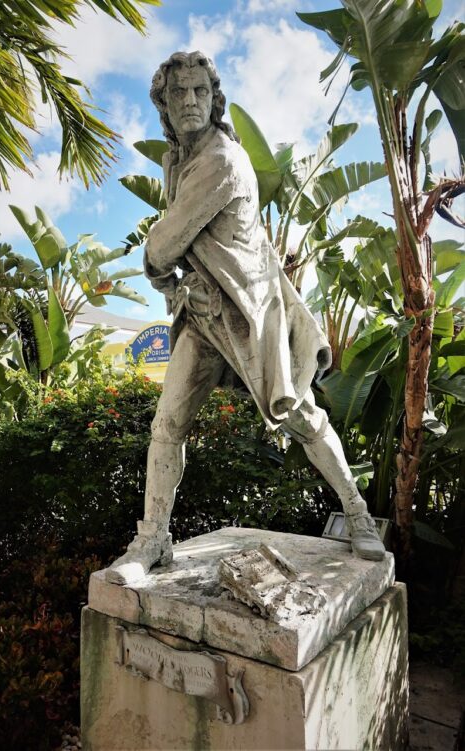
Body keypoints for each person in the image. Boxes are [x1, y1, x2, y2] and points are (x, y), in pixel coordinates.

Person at [105, 51, 385, 585]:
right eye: (178, 93)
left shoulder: (221, 161)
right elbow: (170, 252)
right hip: (201, 314)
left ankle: (357, 514)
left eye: (199, 92)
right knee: (167, 425)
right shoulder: (175, 159)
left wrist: (161, 264)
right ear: (163, 103)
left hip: (247, 312)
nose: (189, 101)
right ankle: (152, 540)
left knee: (301, 416)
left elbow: (164, 245)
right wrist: (172, 277)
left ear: (215, 100)